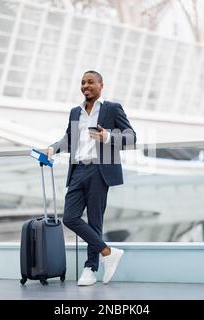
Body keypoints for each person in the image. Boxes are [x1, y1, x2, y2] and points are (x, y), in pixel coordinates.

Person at [45, 70, 136, 286]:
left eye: (91, 82)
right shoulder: (75, 112)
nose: (86, 86)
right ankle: (108, 252)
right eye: (83, 82)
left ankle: (90, 268)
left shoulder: (112, 108)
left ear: (101, 85)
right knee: (70, 217)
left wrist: (107, 136)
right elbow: (69, 138)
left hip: (99, 170)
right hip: (77, 171)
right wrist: (53, 148)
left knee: (95, 221)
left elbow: (131, 137)